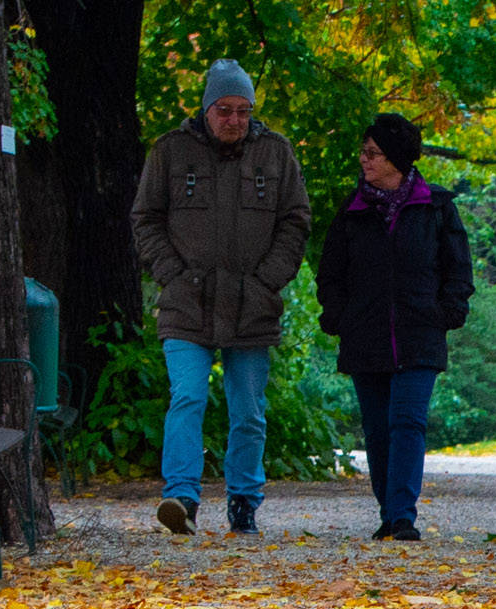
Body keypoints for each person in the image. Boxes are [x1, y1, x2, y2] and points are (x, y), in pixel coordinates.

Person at [128, 59, 311, 535]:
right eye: (225, 110)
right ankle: (182, 498)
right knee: (187, 396)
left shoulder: (276, 154)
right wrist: (172, 275)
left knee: (248, 409)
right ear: (207, 108)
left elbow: (296, 221)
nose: (234, 119)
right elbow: (145, 218)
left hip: (252, 305)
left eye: (243, 111)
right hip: (187, 302)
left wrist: (266, 281)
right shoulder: (170, 152)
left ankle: (244, 503)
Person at [316, 113, 473, 542]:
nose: (364, 160)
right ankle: (389, 511)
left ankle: (403, 515)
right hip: (364, 335)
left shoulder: (436, 207)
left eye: (373, 153)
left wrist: (448, 311)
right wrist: (338, 313)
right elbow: (330, 272)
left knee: (408, 422)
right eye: (363, 152)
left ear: (397, 159)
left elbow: (457, 268)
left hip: (420, 334)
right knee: (377, 429)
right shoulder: (351, 212)